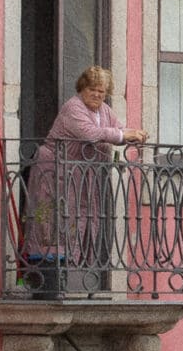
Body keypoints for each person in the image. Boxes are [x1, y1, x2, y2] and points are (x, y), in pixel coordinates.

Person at [28, 66, 125, 297]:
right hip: (53, 174)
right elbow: (90, 133)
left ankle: (76, 276)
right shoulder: (73, 107)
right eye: (93, 90)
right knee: (50, 222)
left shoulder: (104, 110)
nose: (97, 95)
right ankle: (47, 285)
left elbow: (117, 128)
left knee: (77, 221)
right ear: (82, 88)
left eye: (102, 91)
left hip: (78, 178)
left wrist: (131, 134)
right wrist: (123, 135)